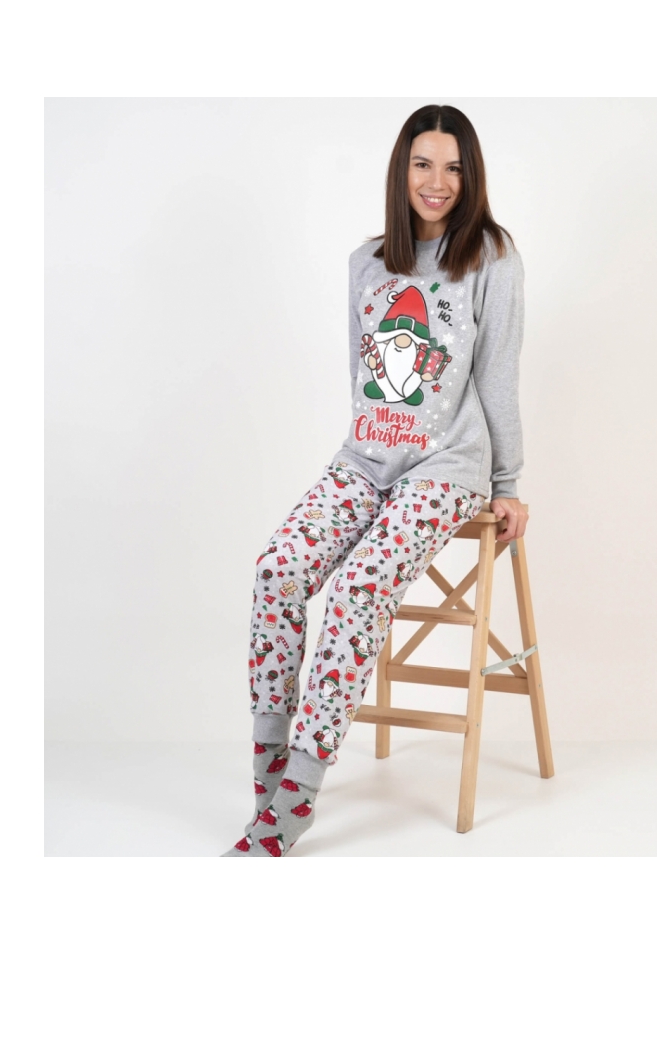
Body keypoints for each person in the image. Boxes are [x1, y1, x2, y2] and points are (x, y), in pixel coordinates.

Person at [223, 104, 528, 857]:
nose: (437, 182)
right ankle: (269, 773)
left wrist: (508, 481)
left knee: (358, 589)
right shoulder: (367, 261)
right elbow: (366, 381)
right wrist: (365, 466)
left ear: (471, 177)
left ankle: (298, 795)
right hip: (365, 459)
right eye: (423, 164)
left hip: (447, 468)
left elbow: (497, 377)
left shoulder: (491, 256)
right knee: (278, 569)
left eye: (454, 168)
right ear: (402, 170)